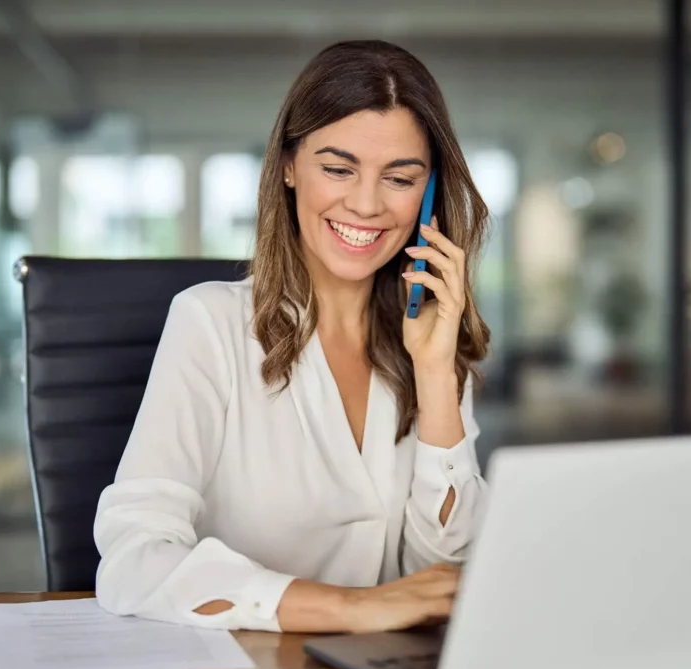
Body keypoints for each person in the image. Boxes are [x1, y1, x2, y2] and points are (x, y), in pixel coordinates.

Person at [93, 39, 491, 634]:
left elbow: (438, 579)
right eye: (337, 169)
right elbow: (133, 558)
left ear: (428, 194)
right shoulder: (210, 324)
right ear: (287, 165)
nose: (365, 203)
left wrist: (435, 373)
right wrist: (349, 608)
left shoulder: (430, 340)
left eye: (400, 178)